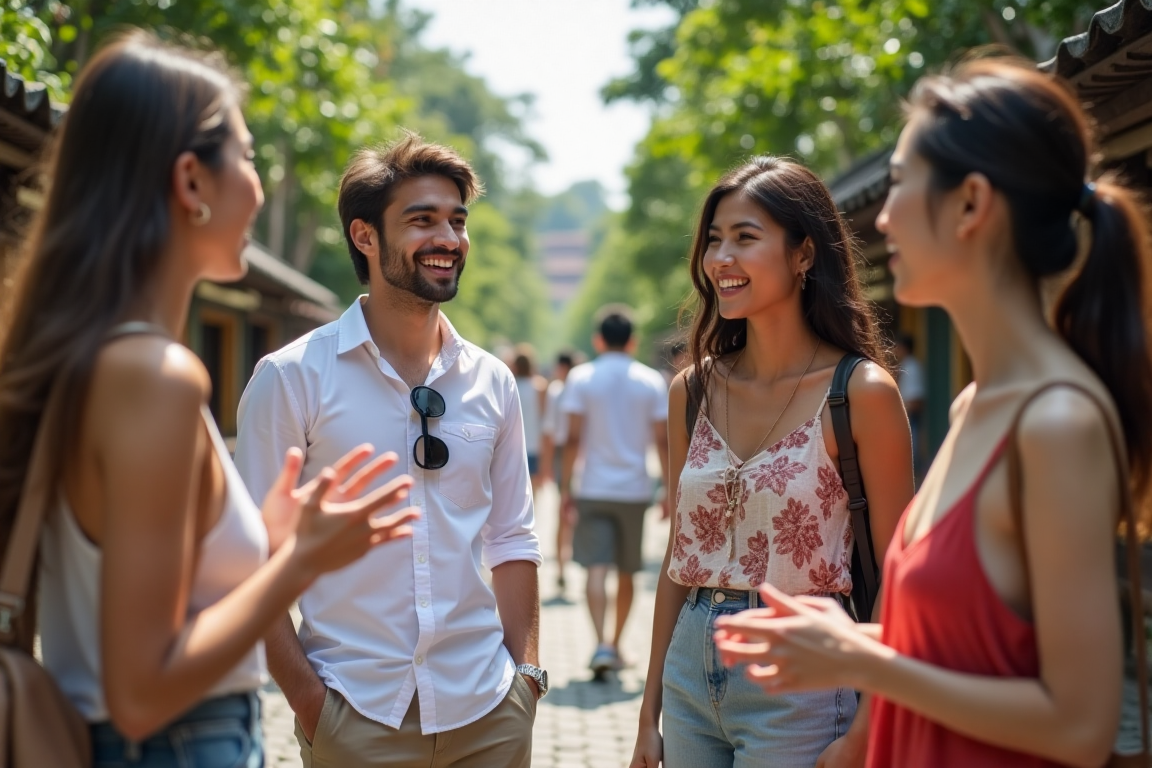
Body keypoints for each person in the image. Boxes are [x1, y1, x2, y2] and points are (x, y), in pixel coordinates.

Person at [714, 59, 1149, 768]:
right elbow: (974, 655)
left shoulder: (1056, 423)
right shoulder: (977, 403)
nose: (881, 216)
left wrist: (864, 663)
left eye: (902, 182)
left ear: (970, 204)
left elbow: (1080, 723)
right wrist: (858, 649)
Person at [0, 31, 419, 767]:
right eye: (250, 156)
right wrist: (298, 566)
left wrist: (269, 538)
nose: (258, 186)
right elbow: (141, 687)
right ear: (193, 182)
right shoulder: (155, 376)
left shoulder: (98, 356)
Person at [235, 133, 545, 768]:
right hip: (355, 711)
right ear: (365, 236)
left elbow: (513, 538)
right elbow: (247, 559)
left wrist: (527, 680)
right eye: (421, 220)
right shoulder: (292, 377)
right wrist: (311, 702)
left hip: (488, 710)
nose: (449, 239)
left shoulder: (491, 381)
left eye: (457, 221)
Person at [630, 157, 914, 768]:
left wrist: (868, 728)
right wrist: (647, 714)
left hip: (802, 675)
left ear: (804, 254)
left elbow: (898, 579)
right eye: (713, 240)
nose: (720, 259)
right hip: (689, 669)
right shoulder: (694, 390)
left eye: (745, 237)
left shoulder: (859, 392)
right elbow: (679, 560)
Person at [560, 306, 669, 675]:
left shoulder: (581, 377)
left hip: (592, 486)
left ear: (598, 340)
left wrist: (565, 488)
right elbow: (662, 442)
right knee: (627, 571)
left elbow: (573, 437)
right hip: (635, 489)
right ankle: (617, 645)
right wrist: (669, 489)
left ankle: (599, 643)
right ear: (633, 341)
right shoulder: (651, 380)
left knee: (595, 567)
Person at [540, 349, 577, 593]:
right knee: (566, 511)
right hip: (578, 454)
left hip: (565, 453)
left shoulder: (557, 391)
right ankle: (564, 564)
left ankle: (563, 564)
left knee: (563, 511)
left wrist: (546, 464)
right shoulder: (580, 388)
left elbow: (549, 432)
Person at [511, 343, 548, 493]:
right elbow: (544, 418)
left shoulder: (510, 386)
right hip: (534, 445)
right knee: (532, 494)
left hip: (513, 446)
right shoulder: (539, 387)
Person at [894, 334, 926, 475]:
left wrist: (903, 413)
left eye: (898, 347)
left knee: (913, 453)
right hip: (907, 413)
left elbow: (915, 397)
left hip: (911, 414)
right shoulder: (907, 365)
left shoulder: (911, 367)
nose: (896, 350)